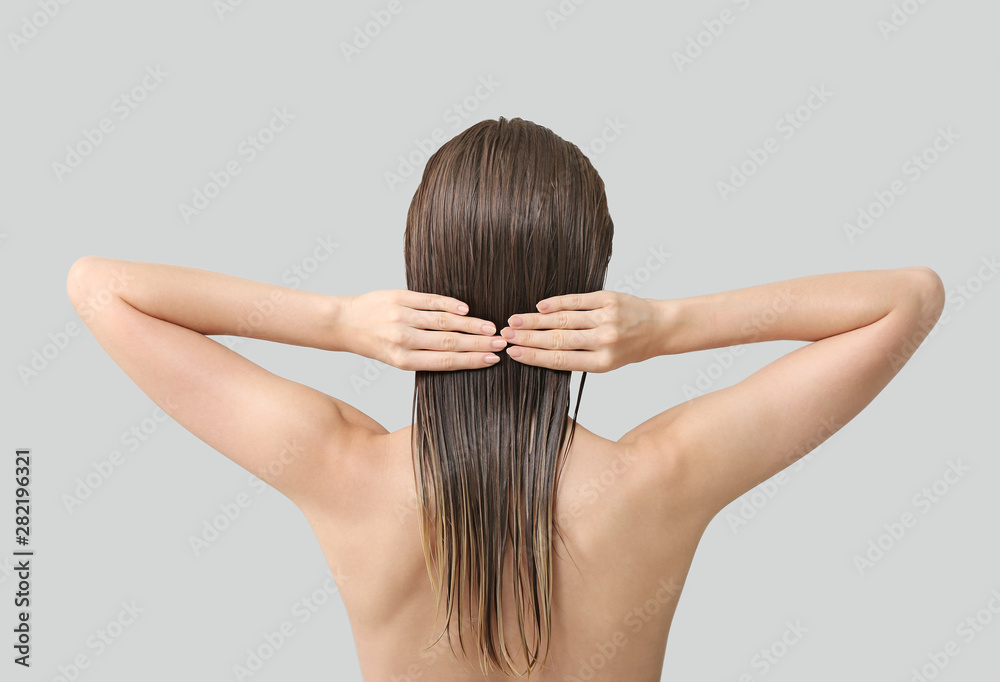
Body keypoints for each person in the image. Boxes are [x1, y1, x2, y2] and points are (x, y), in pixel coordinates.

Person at [65, 117, 945, 681]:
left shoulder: (341, 467)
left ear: (420, 272)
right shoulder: (663, 476)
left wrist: (337, 320)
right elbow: (909, 300)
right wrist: (670, 325)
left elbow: (100, 288)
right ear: (593, 279)